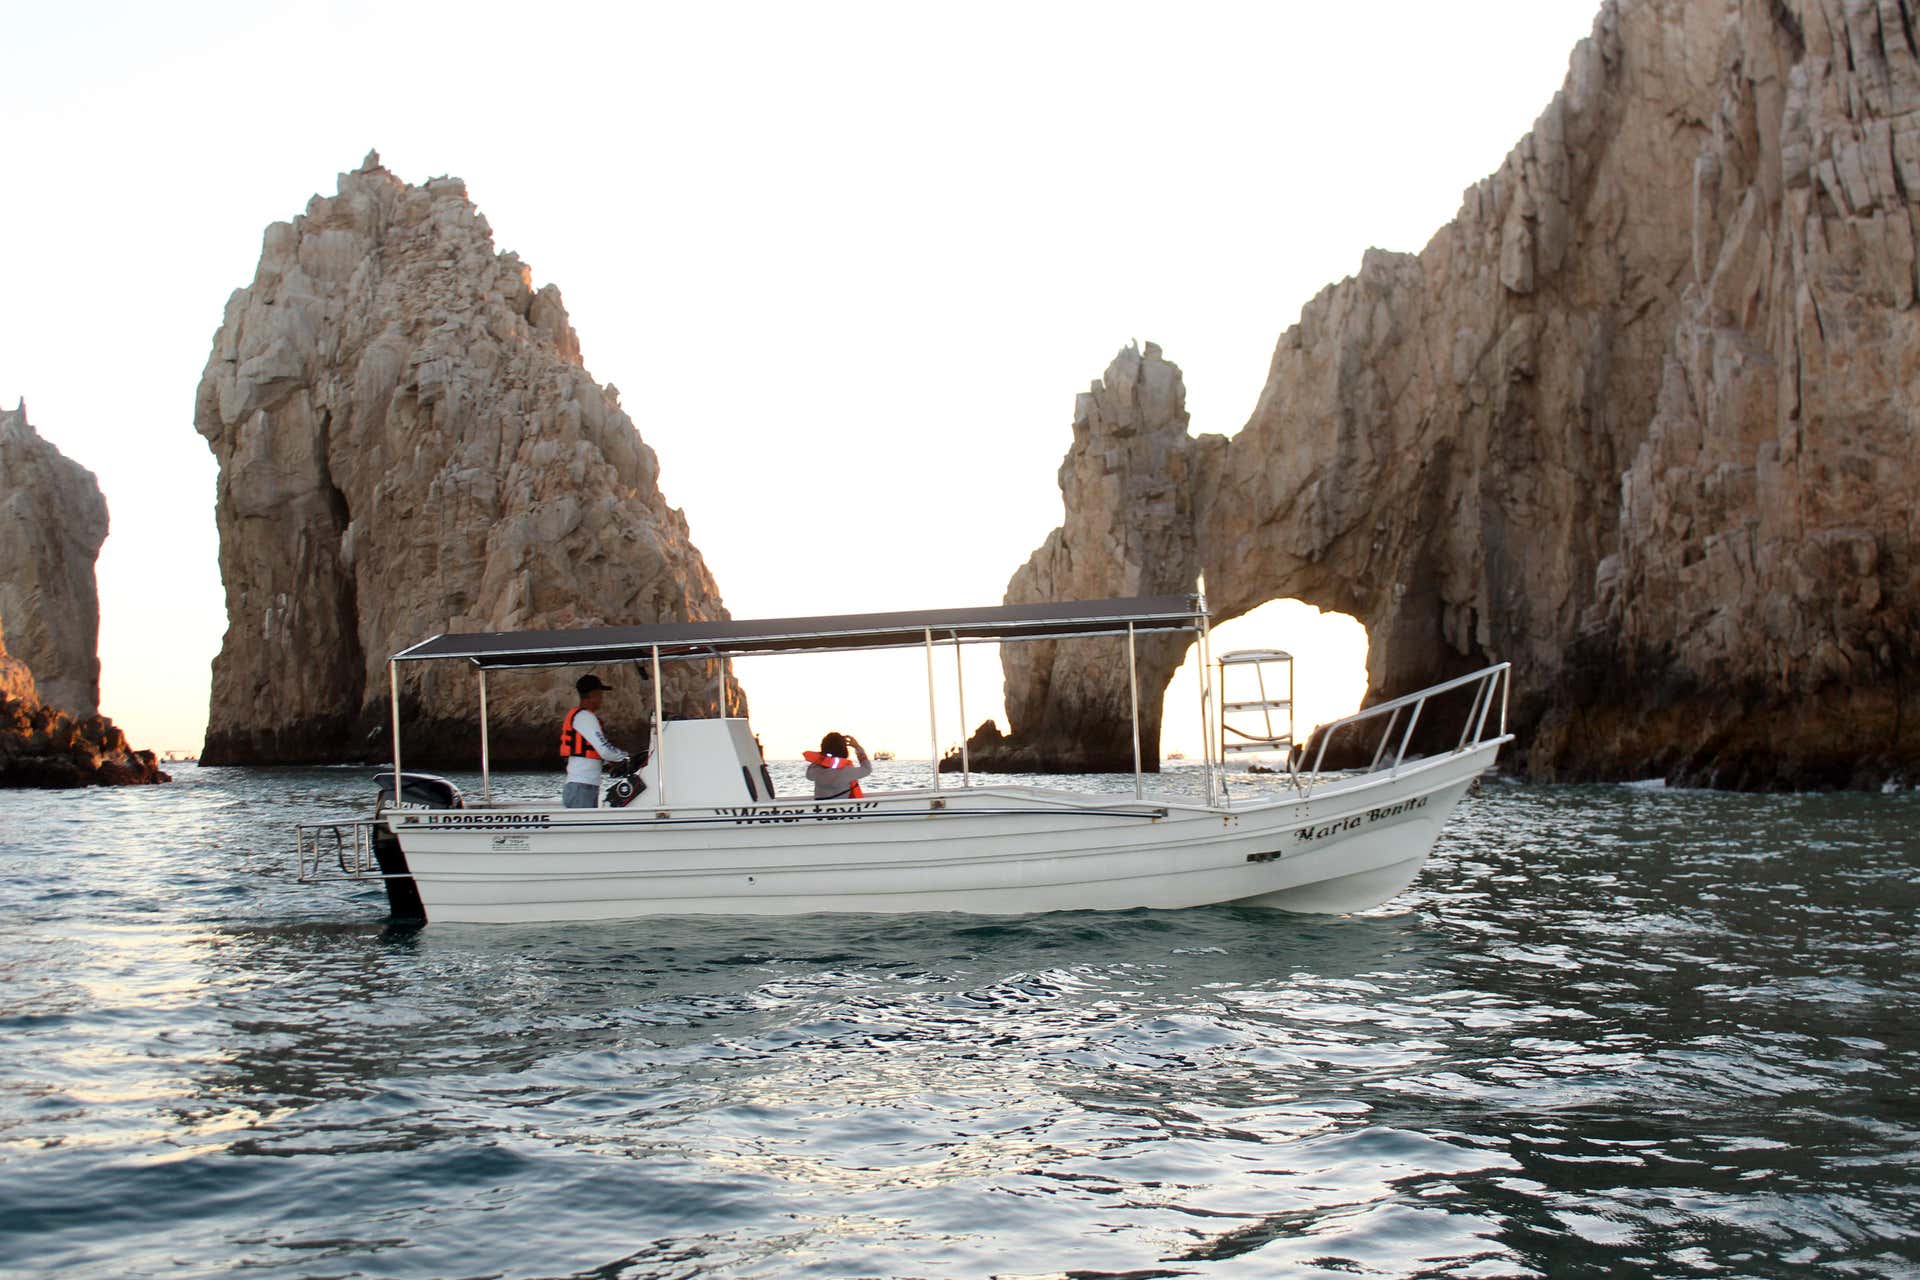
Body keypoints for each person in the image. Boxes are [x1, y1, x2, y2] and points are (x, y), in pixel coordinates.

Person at [560, 674, 635, 808]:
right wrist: (626, 758)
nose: (601, 699)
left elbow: (599, 752)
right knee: (582, 828)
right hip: (581, 787)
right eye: (600, 694)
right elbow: (604, 750)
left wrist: (611, 763)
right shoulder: (585, 717)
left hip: (583, 786)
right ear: (593, 694)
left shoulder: (582, 717)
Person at [804, 731, 872, 799]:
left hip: (819, 807)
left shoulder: (815, 771)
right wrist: (857, 746)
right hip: (845, 808)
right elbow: (867, 769)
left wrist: (821, 757)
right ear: (844, 750)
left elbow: (809, 777)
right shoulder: (848, 772)